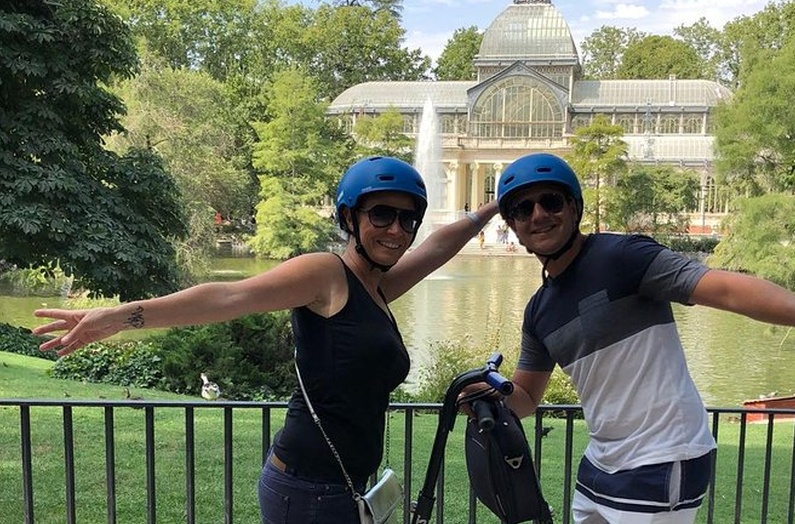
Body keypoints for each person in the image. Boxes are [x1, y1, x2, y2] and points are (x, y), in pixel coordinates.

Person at [31, 156, 498, 524]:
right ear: (349, 217)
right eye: (381, 214)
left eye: (407, 219)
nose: (396, 230)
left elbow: (436, 248)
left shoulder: (376, 287)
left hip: (341, 486)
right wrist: (118, 317)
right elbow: (227, 297)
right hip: (308, 489)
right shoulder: (326, 275)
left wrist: (500, 201)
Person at [490, 152, 795, 524]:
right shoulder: (539, 310)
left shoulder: (622, 256)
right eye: (523, 209)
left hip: (661, 456)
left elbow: (724, 289)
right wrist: (484, 395)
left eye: (551, 201)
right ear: (513, 224)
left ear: (574, 207)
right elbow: (524, 400)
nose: (539, 215)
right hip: (601, 462)